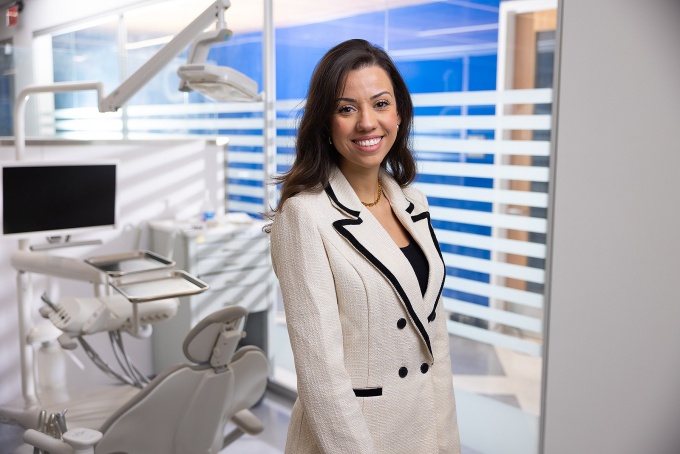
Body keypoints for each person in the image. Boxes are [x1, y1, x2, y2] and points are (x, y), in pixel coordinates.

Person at [268, 39, 460, 453]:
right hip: (355, 438)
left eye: (381, 103)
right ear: (325, 121)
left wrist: (447, 443)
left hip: (423, 429)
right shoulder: (304, 217)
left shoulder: (413, 203)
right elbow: (321, 376)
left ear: (400, 113)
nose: (367, 123)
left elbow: (435, 344)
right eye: (346, 108)